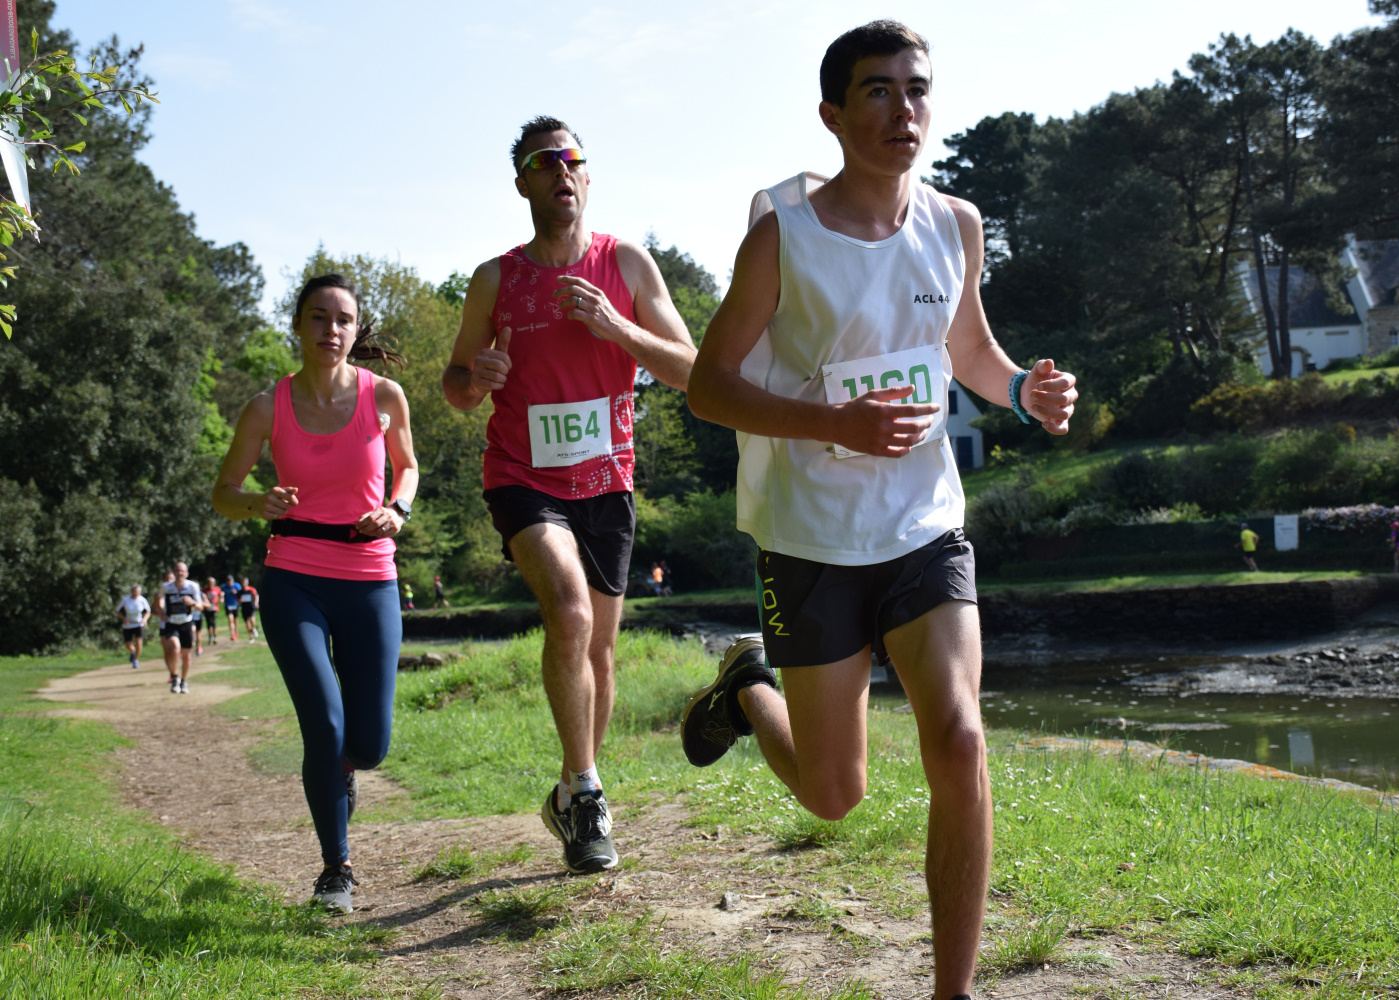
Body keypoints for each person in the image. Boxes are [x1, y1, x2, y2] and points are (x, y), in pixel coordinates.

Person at [676, 22, 1077, 1000]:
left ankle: (952, 990)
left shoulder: (956, 223)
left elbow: (968, 350)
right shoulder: (784, 236)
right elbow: (709, 388)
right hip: (811, 535)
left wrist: (1021, 390)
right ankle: (747, 688)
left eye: (917, 88)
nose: (905, 109)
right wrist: (833, 424)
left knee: (961, 740)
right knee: (832, 793)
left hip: (924, 525)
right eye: (878, 91)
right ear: (833, 114)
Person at [442, 115, 697, 874]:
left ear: (587, 176)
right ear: (522, 183)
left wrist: (617, 327)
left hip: (607, 480)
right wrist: (476, 377)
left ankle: (569, 787)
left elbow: (690, 369)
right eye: (543, 161)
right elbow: (456, 386)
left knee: (601, 653)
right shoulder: (495, 279)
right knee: (571, 611)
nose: (561, 169)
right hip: (523, 475)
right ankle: (588, 793)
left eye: (572, 158)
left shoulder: (627, 263)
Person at [212, 272, 418, 915]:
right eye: (319, 318)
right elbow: (224, 494)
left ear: (356, 330)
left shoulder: (384, 396)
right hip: (294, 576)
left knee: (370, 745)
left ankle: (344, 773)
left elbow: (408, 468)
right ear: (298, 326)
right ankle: (336, 868)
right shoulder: (266, 407)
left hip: (370, 576)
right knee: (323, 726)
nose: (332, 329)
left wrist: (398, 509)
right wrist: (258, 501)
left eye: (343, 319)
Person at [155, 563, 202, 694]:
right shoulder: (166, 587)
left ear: (187, 573)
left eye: (182, 571)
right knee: (175, 648)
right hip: (171, 623)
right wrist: (161, 611)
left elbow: (200, 606)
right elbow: (159, 599)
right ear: (173, 572)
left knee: (186, 655)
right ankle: (175, 676)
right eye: (177, 570)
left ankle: (184, 681)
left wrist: (192, 603)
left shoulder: (192, 586)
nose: (179, 573)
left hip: (186, 623)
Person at [115, 584, 151, 669]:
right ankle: (133, 652)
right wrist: (124, 619)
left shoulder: (142, 600)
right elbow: (117, 611)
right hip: (128, 625)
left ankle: (136, 660)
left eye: (137, 591)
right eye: (134, 591)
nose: (135, 593)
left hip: (138, 624)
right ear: (131, 591)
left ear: (140, 592)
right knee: (128, 644)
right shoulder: (125, 600)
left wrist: (144, 619)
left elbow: (148, 611)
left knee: (138, 642)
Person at [223, 574, 241, 642]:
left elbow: (240, 594)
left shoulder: (237, 586)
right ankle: (232, 634)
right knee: (230, 619)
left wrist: (236, 593)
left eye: (230, 581)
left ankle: (236, 630)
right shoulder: (224, 587)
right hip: (228, 605)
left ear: (233, 580)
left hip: (236, 604)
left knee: (235, 619)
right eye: (228, 581)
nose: (229, 582)